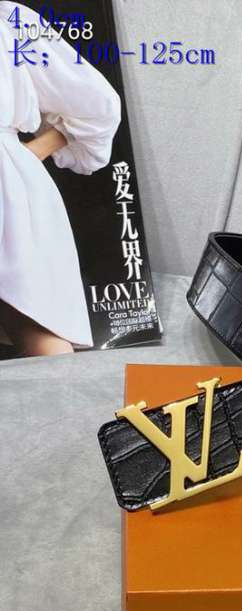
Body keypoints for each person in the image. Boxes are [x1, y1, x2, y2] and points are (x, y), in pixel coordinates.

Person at [0, 1, 121, 356]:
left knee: (35, 326)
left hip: (9, 186)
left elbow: (98, 105)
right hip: (11, 185)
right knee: (32, 322)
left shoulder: (9, 19)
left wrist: (27, 154)